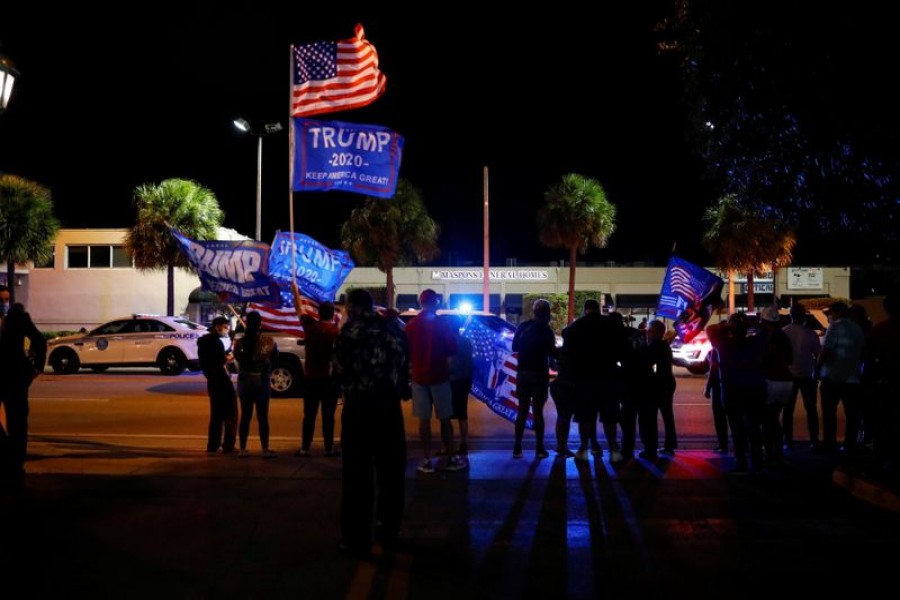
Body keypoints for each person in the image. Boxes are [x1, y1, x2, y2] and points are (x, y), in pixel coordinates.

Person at [333, 288, 411, 556]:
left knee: (357, 475)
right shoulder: (393, 330)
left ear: (352, 307)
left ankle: (356, 537)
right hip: (388, 407)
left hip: (358, 406)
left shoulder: (348, 333)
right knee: (392, 473)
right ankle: (388, 530)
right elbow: (404, 366)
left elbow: (339, 372)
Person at [405, 289, 465, 473]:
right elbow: (452, 349)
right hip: (439, 376)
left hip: (418, 378)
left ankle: (426, 459)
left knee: (424, 421)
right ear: (435, 302)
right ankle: (451, 457)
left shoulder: (411, 325)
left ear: (420, 302)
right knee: (445, 419)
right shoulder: (442, 324)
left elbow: (406, 352)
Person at [0, 303, 47, 492]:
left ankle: (15, 467)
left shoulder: (18, 318)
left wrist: (35, 368)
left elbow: (39, 340)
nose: (4, 304)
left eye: (6, 300)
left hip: (14, 377)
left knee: (18, 423)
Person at [292, 282, 340, 458]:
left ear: (318, 313)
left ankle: (305, 448)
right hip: (329, 379)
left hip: (311, 378)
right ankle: (328, 448)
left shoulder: (310, 327)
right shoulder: (335, 331)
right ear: (333, 314)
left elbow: (299, 309)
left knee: (309, 415)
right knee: (328, 415)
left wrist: (296, 291)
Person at [512, 298, 559, 459]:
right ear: (547, 313)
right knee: (538, 412)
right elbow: (553, 352)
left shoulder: (523, 327)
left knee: (522, 411)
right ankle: (539, 449)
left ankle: (517, 447)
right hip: (539, 374)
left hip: (523, 373)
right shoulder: (546, 331)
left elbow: (514, 347)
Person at [817, 301, 865, 453]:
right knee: (852, 414)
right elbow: (863, 353)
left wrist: (817, 368)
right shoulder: (858, 329)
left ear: (836, 313)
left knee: (829, 413)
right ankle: (850, 444)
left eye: (831, 313)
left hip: (833, 377)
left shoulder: (835, 327)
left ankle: (829, 444)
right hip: (852, 378)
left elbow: (826, 351)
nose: (829, 316)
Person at [233, 311, 279, 458]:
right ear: (260, 324)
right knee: (262, 417)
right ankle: (265, 449)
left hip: (245, 380)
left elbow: (237, 357)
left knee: (245, 416)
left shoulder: (240, 342)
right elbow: (275, 356)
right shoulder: (268, 341)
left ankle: (242, 449)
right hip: (261, 380)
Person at [758, 305, 794, 468]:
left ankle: (771, 454)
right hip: (786, 381)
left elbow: (762, 359)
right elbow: (790, 360)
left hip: (772, 381)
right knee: (774, 419)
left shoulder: (765, 338)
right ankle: (778, 453)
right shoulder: (783, 337)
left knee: (767, 420)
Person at [782, 304, 821, 450]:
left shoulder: (784, 332)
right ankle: (814, 440)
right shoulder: (810, 333)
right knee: (811, 409)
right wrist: (816, 372)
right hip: (806, 373)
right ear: (803, 316)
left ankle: (788, 440)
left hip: (789, 374)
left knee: (788, 409)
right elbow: (818, 354)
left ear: (790, 316)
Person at [197, 316, 238, 454]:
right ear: (217, 327)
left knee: (216, 415)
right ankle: (228, 445)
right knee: (230, 414)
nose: (227, 330)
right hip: (222, 381)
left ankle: (213, 445)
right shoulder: (216, 343)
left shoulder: (203, 342)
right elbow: (220, 360)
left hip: (212, 382)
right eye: (225, 326)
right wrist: (229, 357)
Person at [446, 320, 474, 456]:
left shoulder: (447, 342)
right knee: (462, 414)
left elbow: (448, 363)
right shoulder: (466, 341)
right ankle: (464, 443)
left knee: (446, 416)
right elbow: (470, 360)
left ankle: (449, 446)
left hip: (451, 380)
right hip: (464, 380)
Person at [705, 345, 729, 452]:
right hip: (732, 384)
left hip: (718, 385)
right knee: (735, 418)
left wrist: (708, 387)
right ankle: (742, 445)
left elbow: (713, 368)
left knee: (720, 417)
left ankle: (723, 445)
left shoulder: (716, 349)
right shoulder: (731, 346)